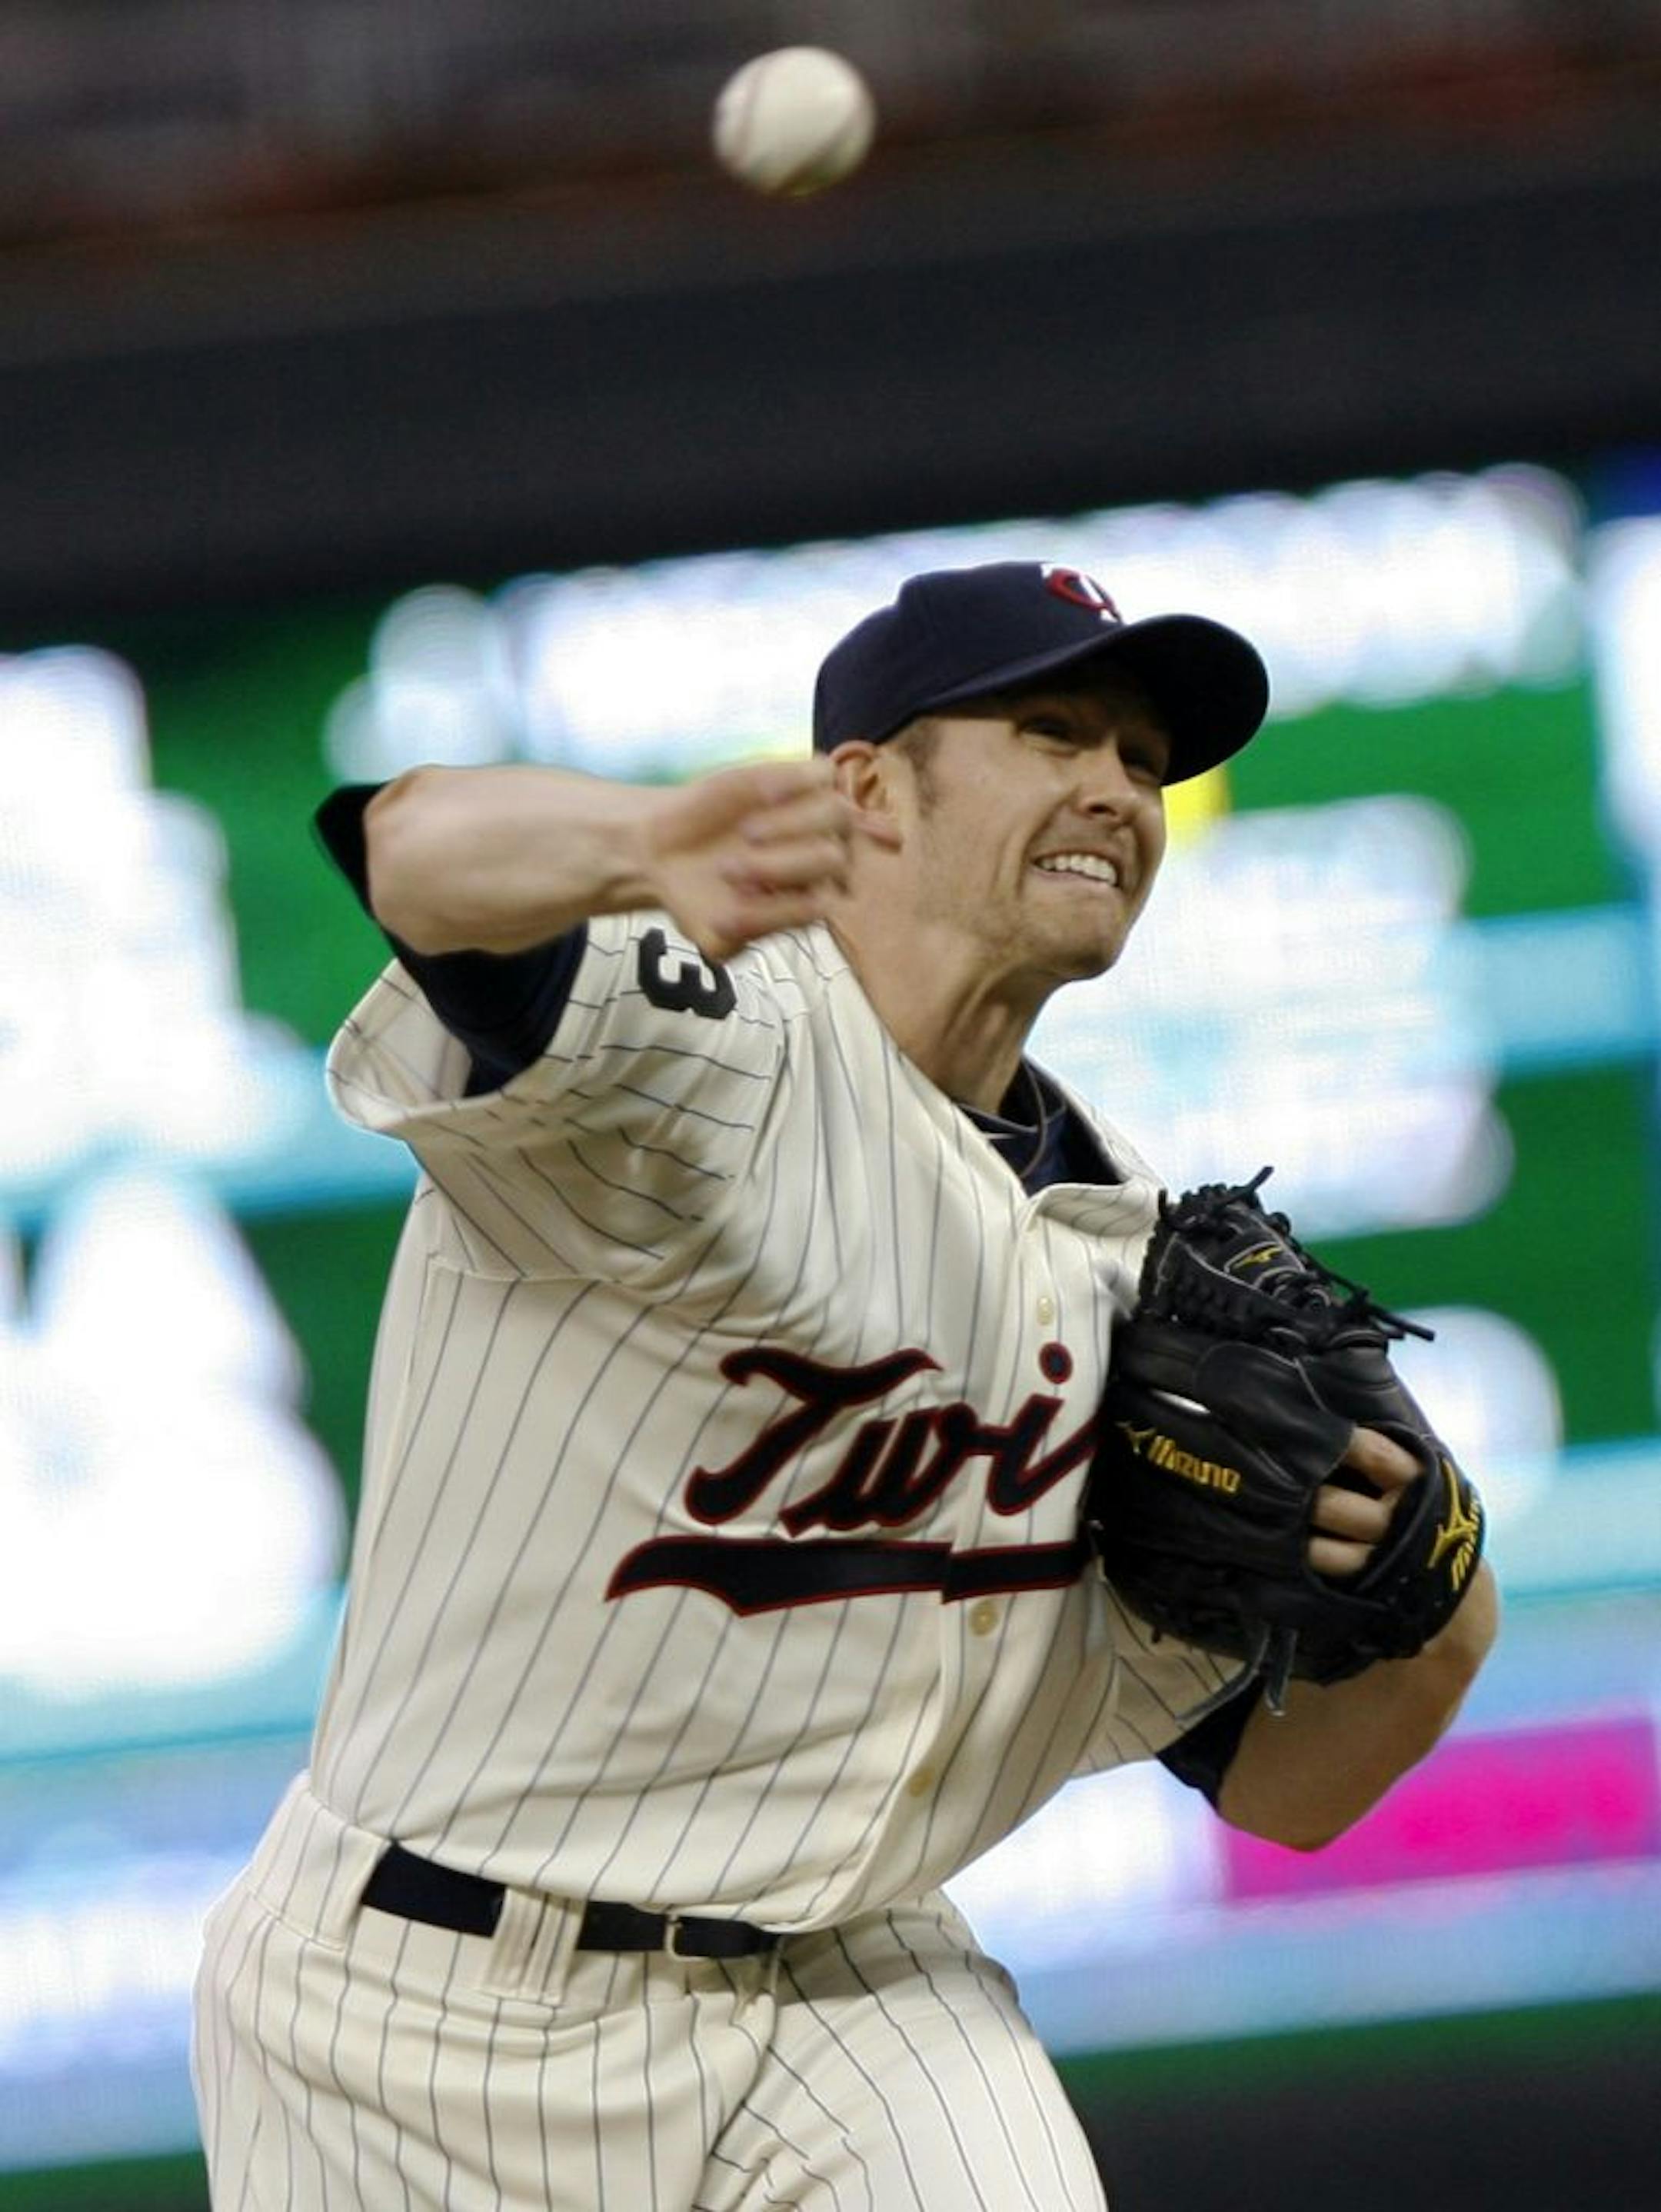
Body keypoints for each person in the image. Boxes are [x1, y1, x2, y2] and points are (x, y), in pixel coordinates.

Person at [192, 559, 1497, 2210]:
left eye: (1145, 760)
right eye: (1054, 729)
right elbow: (412, 849)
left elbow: (1290, 1789)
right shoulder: (707, 1033)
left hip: (846, 2002)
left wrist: (1443, 1607)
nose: (1119, 788)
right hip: (411, 2009)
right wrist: (640, 845)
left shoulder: (1146, 1282)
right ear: (868, 788)